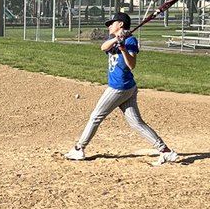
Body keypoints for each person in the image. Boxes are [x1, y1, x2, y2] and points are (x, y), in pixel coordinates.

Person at [64, 12, 179, 165]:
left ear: (121, 24)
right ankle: (165, 151)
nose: (109, 26)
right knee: (136, 123)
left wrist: (123, 47)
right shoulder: (112, 40)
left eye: (112, 23)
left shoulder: (131, 40)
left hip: (119, 87)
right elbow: (102, 47)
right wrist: (117, 40)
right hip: (127, 87)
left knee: (95, 116)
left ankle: (79, 149)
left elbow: (131, 65)